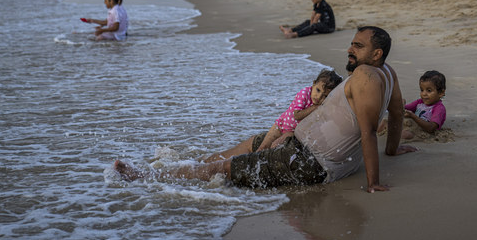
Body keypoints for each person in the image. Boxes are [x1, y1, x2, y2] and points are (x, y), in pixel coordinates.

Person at [113, 26, 418, 192]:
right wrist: (392, 150)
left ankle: (148, 179)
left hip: (309, 161)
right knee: (239, 149)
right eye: (351, 43)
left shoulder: (366, 77)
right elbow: (397, 110)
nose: (350, 49)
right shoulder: (386, 72)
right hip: (295, 142)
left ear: (376, 53)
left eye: (358, 46)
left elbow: (367, 132)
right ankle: (180, 167)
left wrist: (373, 183)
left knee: (225, 168)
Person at [256, 69, 343, 152]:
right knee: (263, 147)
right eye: (318, 90)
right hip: (281, 124)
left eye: (325, 96)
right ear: (313, 84)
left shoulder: (324, 105)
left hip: (293, 132)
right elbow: (296, 115)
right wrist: (314, 107)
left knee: (274, 147)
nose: (319, 97)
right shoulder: (304, 93)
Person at [404, 70, 447, 134]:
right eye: (422, 90)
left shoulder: (439, 108)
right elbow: (405, 108)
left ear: (441, 93)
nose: (424, 94)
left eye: (429, 90)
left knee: (406, 134)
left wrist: (413, 116)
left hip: (424, 132)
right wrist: (400, 103)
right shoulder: (420, 102)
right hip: (413, 127)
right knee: (388, 122)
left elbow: (431, 128)